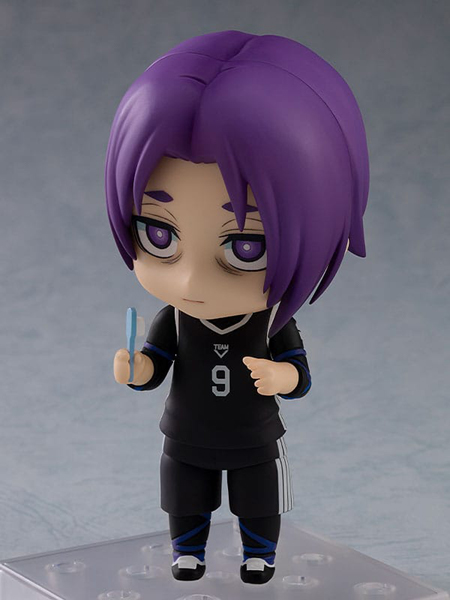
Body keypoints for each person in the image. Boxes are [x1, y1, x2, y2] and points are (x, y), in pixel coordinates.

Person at [105, 30, 369, 585]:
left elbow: (299, 377)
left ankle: (258, 553)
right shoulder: (176, 318)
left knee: (258, 497)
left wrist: (280, 376)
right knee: (184, 494)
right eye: (159, 234)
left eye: (245, 246)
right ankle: (188, 551)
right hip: (185, 433)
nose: (191, 280)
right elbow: (155, 365)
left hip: (254, 436)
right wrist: (137, 368)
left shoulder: (271, 322)